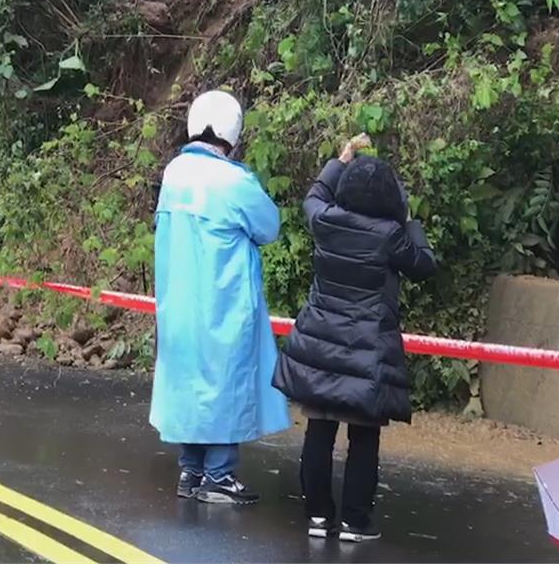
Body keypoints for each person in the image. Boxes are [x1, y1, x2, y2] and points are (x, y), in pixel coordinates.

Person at [273, 135, 437, 541]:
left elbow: (313, 196)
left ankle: (316, 516)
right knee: (364, 437)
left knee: (319, 428)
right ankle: (354, 521)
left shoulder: (325, 221)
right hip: (369, 353)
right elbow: (425, 265)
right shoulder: (389, 235)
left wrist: (340, 160)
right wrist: (411, 221)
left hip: (320, 346)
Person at [150, 90, 291, 505]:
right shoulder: (233, 181)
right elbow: (268, 226)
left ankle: (191, 472)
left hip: (179, 303)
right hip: (223, 301)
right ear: (232, 131)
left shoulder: (174, 173)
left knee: (191, 385)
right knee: (225, 385)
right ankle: (219, 475)